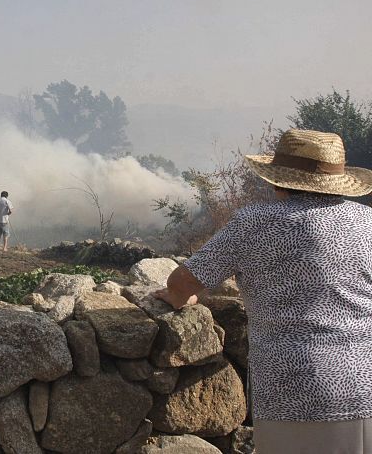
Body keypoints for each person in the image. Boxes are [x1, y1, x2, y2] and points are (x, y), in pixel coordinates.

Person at [154, 129, 372, 454]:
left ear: (276, 179)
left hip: (291, 390)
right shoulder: (366, 221)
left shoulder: (256, 223)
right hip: (364, 385)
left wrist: (176, 297)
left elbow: (183, 282)